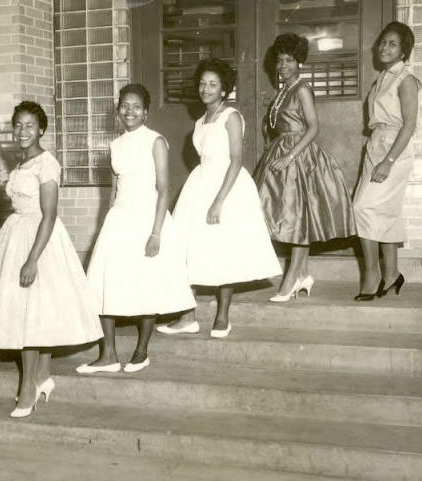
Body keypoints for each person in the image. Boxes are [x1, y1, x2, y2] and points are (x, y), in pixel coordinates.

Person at [0, 101, 103, 417]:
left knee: (32, 315)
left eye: (30, 125)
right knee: (29, 313)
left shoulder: (47, 164)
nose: (22, 131)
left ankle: (27, 386)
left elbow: (49, 215)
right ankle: (42, 376)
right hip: (15, 234)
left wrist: (31, 260)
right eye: (18, 125)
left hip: (40, 240)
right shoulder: (20, 164)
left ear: (41, 129)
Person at [157, 59, 281, 337]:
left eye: (213, 84)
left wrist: (219, 200)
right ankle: (187, 316)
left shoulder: (231, 116)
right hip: (199, 184)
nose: (206, 88)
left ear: (224, 90)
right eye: (202, 83)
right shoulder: (200, 121)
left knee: (223, 250)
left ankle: (223, 315)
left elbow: (236, 161)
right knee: (187, 248)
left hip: (227, 186)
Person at [76, 84, 195, 374]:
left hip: (147, 218)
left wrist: (156, 233)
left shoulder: (155, 141)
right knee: (102, 283)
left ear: (146, 111)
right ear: (118, 110)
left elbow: (164, 189)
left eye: (136, 106)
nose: (130, 111)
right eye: (124, 106)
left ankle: (141, 351)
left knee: (146, 284)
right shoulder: (115, 145)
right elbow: (113, 191)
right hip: (120, 218)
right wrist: (106, 224)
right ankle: (109, 355)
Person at [253, 32, 356, 302]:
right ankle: (303, 275)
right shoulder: (283, 90)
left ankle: (290, 280)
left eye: (289, 60)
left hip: (299, 157)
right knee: (294, 217)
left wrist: (289, 158)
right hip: (281, 151)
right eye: (280, 60)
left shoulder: (301, 88)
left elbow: (314, 128)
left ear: (299, 62)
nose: (283, 65)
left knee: (299, 219)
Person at [353, 22, 420, 301]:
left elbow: (409, 125)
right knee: (384, 212)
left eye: (392, 44)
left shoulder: (405, 79)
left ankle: (372, 274)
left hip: (395, 149)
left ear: (404, 51)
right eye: (383, 42)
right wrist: (377, 155)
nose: (384, 47)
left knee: (362, 207)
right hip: (376, 145)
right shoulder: (382, 78)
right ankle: (392, 274)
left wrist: (388, 161)